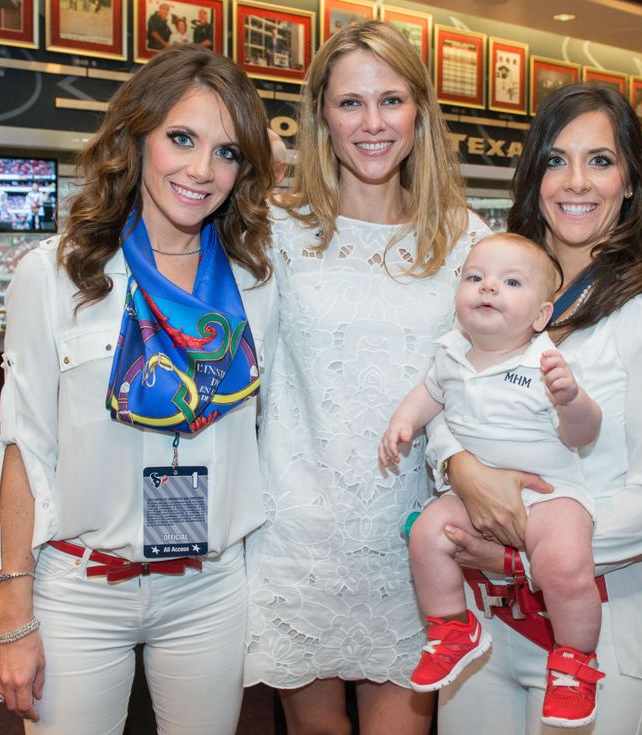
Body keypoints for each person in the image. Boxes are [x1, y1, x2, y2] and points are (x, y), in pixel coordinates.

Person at [0, 45, 277, 733]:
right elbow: (24, 444)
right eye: (182, 138)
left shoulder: (257, 282)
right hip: (82, 586)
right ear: (137, 135)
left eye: (228, 152)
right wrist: (11, 611)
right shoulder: (53, 275)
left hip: (208, 587)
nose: (201, 170)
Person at [431, 83, 642, 734]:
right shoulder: (504, 293)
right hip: (485, 621)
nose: (575, 181)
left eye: (600, 161)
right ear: (533, 178)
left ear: (633, 181)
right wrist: (462, 468)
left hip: (597, 630)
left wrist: (523, 554)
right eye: (555, 160)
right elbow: (446, 401)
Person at [244, 21, 490, 735]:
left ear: (420, 111)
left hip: (417, 541)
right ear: (321, 114)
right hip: (301, 534)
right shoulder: (276, 232)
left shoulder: (465, 237)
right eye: (351, 103)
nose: (373, 123)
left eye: (391, 100)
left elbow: (483, 379)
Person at [380, 234, 605, 727]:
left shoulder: (545, 363)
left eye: (510, 282)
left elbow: (584, 434)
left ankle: (574, 663)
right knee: (425, 534)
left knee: (565, 566)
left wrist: (572, 401)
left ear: (540, 315)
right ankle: (451, 628)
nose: (488, 289)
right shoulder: (451, 354)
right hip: (470, 493)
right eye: (475, 278)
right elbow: (428, 395)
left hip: (551, 494)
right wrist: (404, 421)